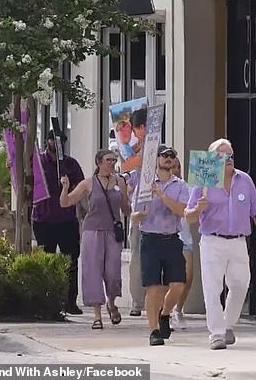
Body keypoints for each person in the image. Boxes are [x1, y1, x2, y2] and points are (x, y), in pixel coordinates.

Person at [185, 138, 256, 350]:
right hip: (212, 240)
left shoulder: (245, 180)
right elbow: (188, 216)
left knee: (241, 284)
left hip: (238, 241)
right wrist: (198, 209)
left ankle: (228, 323)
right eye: (224, 156)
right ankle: (216, 332)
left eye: (231, 155)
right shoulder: (204, 181)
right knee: (212, 289)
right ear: (213, 158)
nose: (229, 159)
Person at [59, 150, 131, 330]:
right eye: (108, 160)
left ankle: (112, 303)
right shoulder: (88, 183)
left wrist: (132, 201)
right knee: (93, 271)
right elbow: (65, 202)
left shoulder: (119, 182)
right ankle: (97, 316)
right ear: (98, 162)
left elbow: (126, 209)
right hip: (92, 231)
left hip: (113, 232)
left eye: (114, 160)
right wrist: (65, 187)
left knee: (113, 273)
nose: (111, 164)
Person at [131, 145, 189, 346]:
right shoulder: (144, 184)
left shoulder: (180, 185)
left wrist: (162, 196)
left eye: (172, 156)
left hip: (172, 238)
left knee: (178, 285)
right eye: (164, 155)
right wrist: (141, 214)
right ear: (155, 159)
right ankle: (154, 330)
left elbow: (182, 211)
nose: (168, 158)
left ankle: (165, 313)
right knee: (154, 287)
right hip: (151, 239)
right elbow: (134, 214)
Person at [32, 131, 85, 314]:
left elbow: (81, 188)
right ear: (47, 141)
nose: (56, 143)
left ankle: (70, 302)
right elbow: (26, 182)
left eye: (60, 140)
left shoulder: (71, 164)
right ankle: (46, 302)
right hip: (43, 219)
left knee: (70, 261)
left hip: (66, 219)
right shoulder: (38, 162)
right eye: (53, 139)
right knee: (46, 260)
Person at [170, 157, 195, 330]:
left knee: (188, 277)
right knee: (170, 279)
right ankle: (167, 311)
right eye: (173, 166)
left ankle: (178, 309)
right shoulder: (163, 189)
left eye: (178, 166)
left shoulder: (189, 188)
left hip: (185, 238)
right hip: (168, 236)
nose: (176, 169)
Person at [126, 169, 146, 317]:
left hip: (161, 224)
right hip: (139, 223)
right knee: (136, 261)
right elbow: (127, 197)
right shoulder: (134, 174)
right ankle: (137, 302)